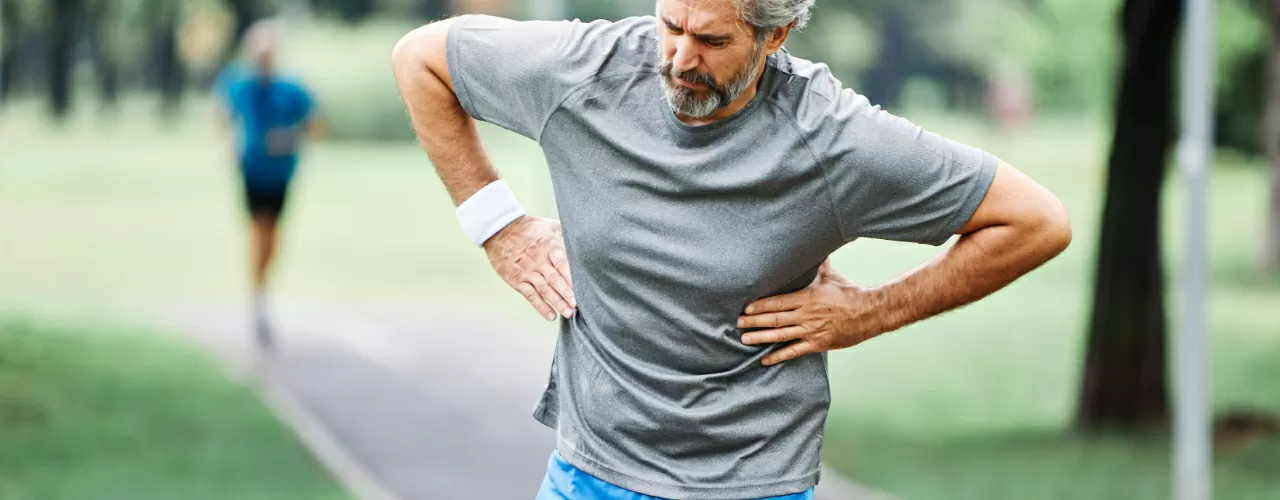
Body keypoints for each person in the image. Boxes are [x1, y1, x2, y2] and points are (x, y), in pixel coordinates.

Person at [391, 0, 1072, 498]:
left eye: (712, 40)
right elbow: (420, 58)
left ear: (775, 35)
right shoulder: (587, 70)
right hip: (586, 475)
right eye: (671, 26)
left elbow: (1035, 221)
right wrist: (499, 227)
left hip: (749, 483)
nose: (681, 59)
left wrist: (872, 313)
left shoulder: (832, 138)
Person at [215, 19, 320, 349]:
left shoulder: (292, 88)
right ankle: (258, 299)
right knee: (260, 233)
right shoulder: (237, 83)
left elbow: (316, 126)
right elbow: (222, 115)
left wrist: (288, 138)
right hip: (251, 170)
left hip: (281, 173)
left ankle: (261, 290)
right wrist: (230, 145)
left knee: (272, 238)